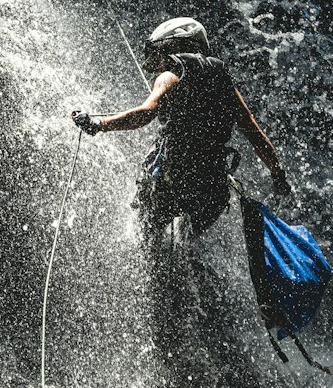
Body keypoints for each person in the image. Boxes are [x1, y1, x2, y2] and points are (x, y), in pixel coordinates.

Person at [70, 17, 293, 265]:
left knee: (148, 237)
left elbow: (146, 112)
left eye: (158, 52)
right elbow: (254, 133)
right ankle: (182, 274)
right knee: (184, 246)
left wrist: (100, 124)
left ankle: (156, 274)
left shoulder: (171, 75)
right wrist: (278, 175)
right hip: (211, 190)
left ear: (173, 47)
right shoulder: (223, 80)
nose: (156, 60)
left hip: (174, 182)